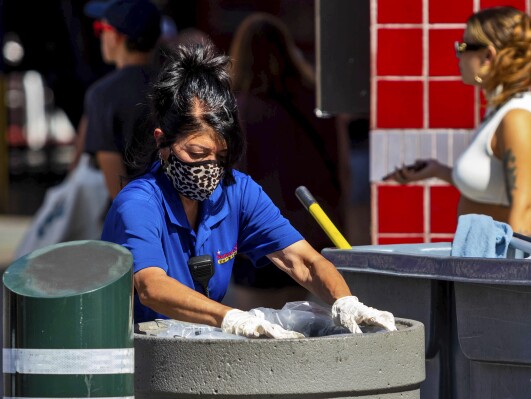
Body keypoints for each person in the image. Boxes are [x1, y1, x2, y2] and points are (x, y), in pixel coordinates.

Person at [101, 43, 396, 339]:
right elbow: (152, 287)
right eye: (197, 152)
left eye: (221, 155)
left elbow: (304, 261)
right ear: (162, 143)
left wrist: (344, 301)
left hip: (193, 354)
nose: (210, 167)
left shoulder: (237, 192)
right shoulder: (138, 203)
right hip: (133, 358)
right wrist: (231, 318)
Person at [384, 6, 531, 236]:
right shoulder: (500, 112)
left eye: (463, 47)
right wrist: (438, 170)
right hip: (482, 261)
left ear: (488, 56)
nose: (458, 55)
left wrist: (508, 271)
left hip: (498, 266)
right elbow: (491, 187)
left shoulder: (517, 119)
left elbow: (524, 210)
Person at [227, 13, 350, 304]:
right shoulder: (317, 103)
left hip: (257, 239)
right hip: (312, 235)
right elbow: (341, 168)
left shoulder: (235, 109)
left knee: (257, 331)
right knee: (309, 326)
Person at [82, 0, 162, 200]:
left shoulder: (102, 95)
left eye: (101, 28)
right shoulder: (180, 86)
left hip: (137, 220)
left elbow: (116, 183)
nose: (100, 37)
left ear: (116, 36)